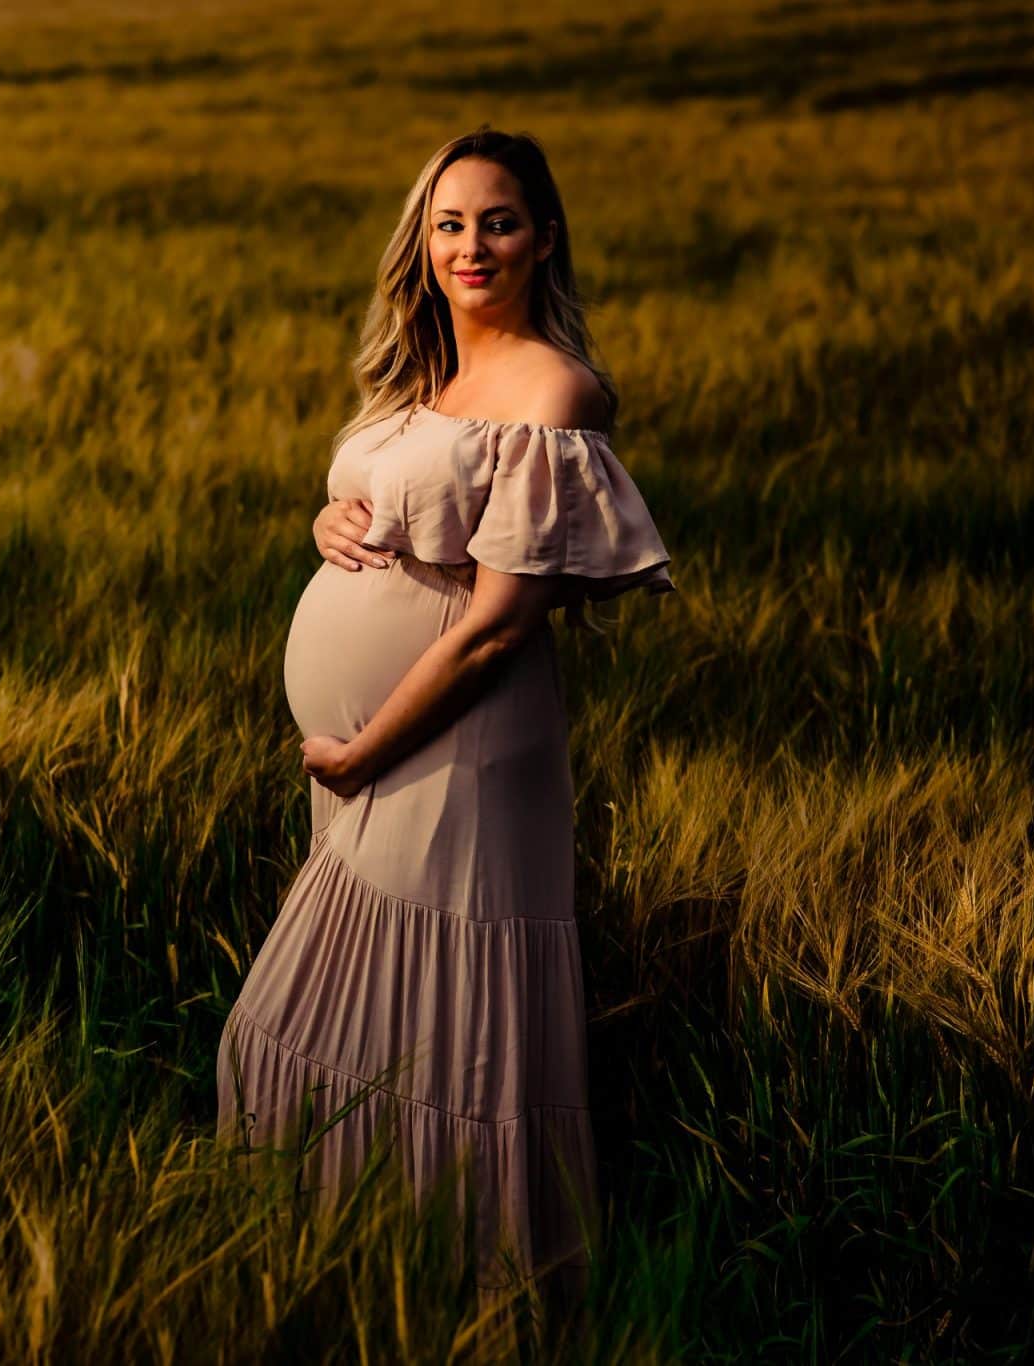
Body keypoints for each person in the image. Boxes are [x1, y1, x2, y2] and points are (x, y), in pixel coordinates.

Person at [214, 125, 676, 1314]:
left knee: (434, 1037)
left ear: (544, 238)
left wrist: (364, 751)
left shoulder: (549, 387)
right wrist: (329, 524)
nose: (473, 244)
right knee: (309, 1037)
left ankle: (471, 1296)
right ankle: (355, 1275)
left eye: (500, 220)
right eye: (450, 223)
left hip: (454, 754)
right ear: (421, 245)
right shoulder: (423, 379)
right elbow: (384, 504)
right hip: (379, 758)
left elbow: (497, 625)